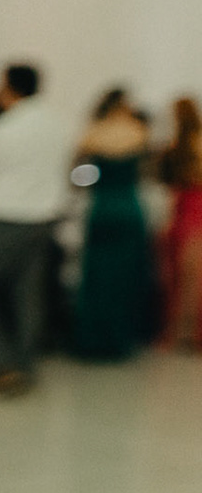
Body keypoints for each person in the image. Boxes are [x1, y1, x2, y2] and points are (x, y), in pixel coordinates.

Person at [0, 63, 76, 394]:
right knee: (27, 292)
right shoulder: (58, 124)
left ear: (9, 89)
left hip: (7, 215)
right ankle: (24, 364)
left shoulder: (5, 129)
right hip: (45, 217)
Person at [70, 88, 156, 360]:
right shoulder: (139, 132)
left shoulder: (93, 133)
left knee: (98, 275)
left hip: (103, 207)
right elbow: (148, 171)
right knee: (125, 277)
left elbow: (77, 174)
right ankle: (121, 337)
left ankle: (94, 337)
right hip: (128, 207)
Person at [160, 97, 202, 349]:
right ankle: (183, 331)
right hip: (183, 208)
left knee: (190, 274)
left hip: (194, 209)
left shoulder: (193, 144)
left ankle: (187, 332)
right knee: (181, 274)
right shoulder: (181, 144)